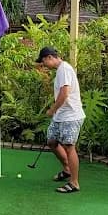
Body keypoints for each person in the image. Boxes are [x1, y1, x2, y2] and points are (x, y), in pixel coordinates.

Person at [36, 47, 85, 193]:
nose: (44, 65)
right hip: (61, 116)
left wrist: (52, 109)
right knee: (51, 141)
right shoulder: (60, 71)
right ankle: (67, 169)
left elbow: (64, 93)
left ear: (50, 57)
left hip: (71, 116)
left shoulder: (64, 69)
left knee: (69, 147)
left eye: (44, 61)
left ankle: (74, 183)